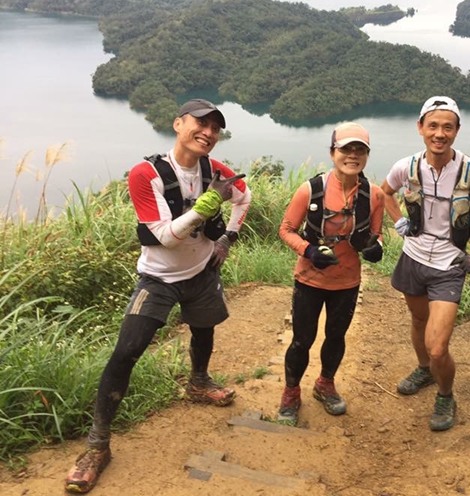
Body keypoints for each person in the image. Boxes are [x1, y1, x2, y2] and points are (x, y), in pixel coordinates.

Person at [65, 99, 251, 493]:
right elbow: (165, 236)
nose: (209, 133)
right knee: (126, 353)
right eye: (200, 124)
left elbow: (244, 197)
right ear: (178, 124)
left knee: (204, 328)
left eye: (216, 128)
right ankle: (98, 445)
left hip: (202, 272)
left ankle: (198, 382)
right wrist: (206, 206)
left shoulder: (216, 171)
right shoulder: (145, 173)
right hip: (158, 278)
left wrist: (227, 239)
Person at [381, 96, 470, 431]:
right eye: (433, 125)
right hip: (412, 257)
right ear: (420, 127)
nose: (440, 133)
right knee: (418, 319)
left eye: (447, 127)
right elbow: (383, 193)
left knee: (438, 346)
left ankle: (445, 392)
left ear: (456, 131)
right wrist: (398, 223)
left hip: (449, 265)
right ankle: (424, 369)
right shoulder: (406, 167)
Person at [276, 122, 384, 426]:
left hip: (347, 281)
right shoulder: (311, 190)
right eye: (346, 149)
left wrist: (375, 248)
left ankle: (325, 383)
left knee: (336, 336)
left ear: (366, 155)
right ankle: (291, 392)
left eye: (359, 150)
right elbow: (286, 230)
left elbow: (376, 234)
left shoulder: (374, 196)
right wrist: (308, 251)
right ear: (333, 152)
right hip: (310, 279)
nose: (352, 155)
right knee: (302, 339)